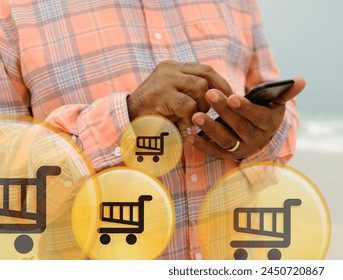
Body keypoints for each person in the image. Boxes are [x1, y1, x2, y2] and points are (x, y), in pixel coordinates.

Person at [0, 0, 303, 259]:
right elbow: (10, 197)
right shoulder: (12, 10)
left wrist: (259, 137)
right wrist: (127, 118)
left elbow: (279, 125)